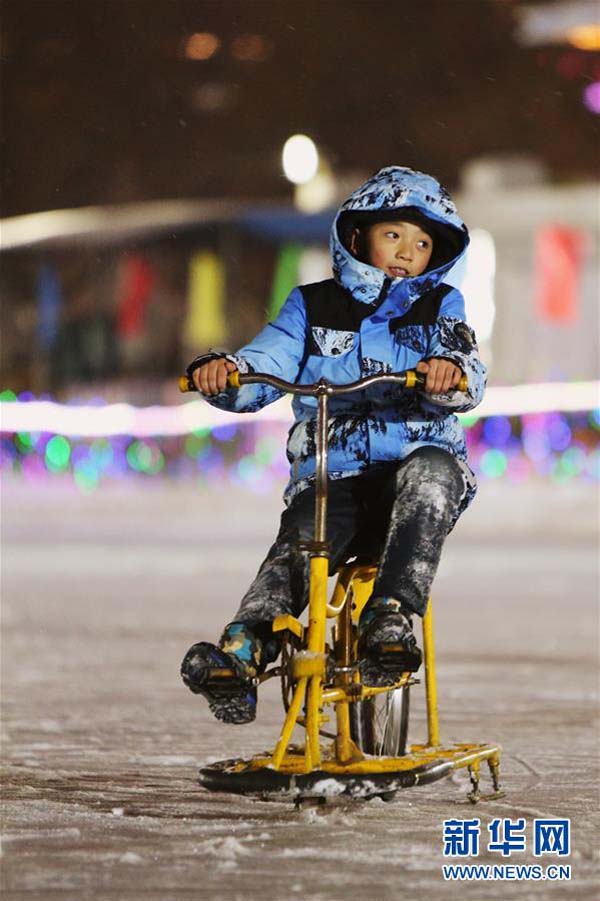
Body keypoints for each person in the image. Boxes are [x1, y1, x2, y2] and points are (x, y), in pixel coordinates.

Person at [180, 166, 486, 725]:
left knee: (432, 472)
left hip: (413, 473)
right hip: (334, 477)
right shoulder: (312, 305)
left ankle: (390, 617)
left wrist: (450, 372)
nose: (407, 252)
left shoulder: (441, 305)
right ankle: (244, 651)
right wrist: (227, 373)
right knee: (296, 551)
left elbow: (465, 362)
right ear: (357, 237)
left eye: (422, 244)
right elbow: (267, 360)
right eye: (393, 235)